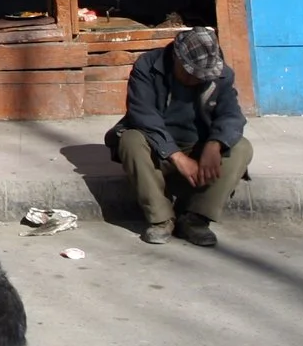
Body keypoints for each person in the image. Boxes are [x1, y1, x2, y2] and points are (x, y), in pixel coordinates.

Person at [106, 26, 251, 248]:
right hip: (158, 150)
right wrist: (176, 156)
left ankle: (195, 218)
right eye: (191, 72)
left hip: (199, 148)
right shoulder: (147, 66)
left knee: (241, 147)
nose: (197, 79)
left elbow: (232, 116)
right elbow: (142, 115)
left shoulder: (221, 74)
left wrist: (214, 145)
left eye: (202, 75)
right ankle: (162, 219)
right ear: (176, 57)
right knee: (131, 140)